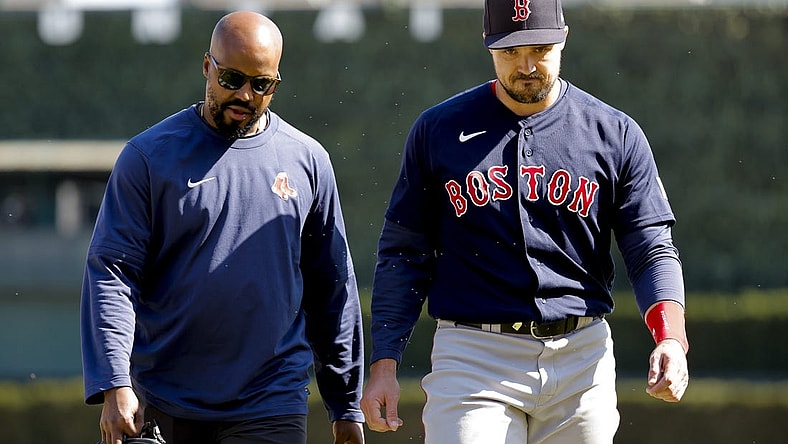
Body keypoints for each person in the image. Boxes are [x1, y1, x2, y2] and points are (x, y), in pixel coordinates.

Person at [360, 0, 689, 442]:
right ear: (488, 46)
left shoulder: (615, 133)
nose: (526, 64)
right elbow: (404, 252)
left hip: (581, 357)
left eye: (539, 48)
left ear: (563, 38)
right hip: (475, 355)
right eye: (510, 51)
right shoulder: (439, 130)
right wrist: (384, 363)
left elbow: (650, 246)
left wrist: (671, 337)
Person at [81, 11, 365, 444]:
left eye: (261, 84)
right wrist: (115, 382)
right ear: (206, 66)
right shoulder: (147, 158)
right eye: (232, 78)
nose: (245, 94)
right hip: (165, 400)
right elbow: (113, 274)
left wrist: (346, 403)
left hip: (272, 401)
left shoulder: (308, 161)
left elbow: (333, 287)